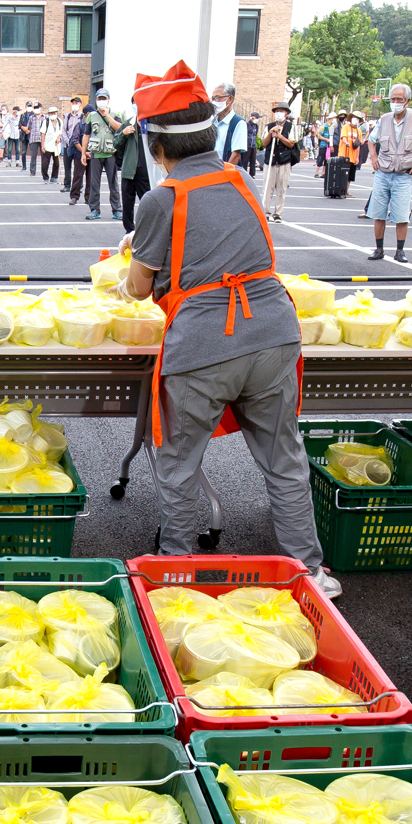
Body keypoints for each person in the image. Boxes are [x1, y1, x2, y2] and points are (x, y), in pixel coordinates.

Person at [117, 59, 339, 599]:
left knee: (178, 462)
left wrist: (129, 269)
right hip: (273, 332)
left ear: (156, 145)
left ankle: (178, 571)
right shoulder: (240, 179)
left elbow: (140, 289)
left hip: (204, 345)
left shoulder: (159, 199)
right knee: (284, 459)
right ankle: (311, 572)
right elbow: (222, 245)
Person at [364, 84, 412, 262]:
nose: (395, 103)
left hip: (404, 173)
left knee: (401, 215)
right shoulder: (384, 119)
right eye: (393, 99)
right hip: (383, 172)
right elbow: (371, 140)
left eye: (399, 99)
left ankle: (400, 250)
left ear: (407, 101)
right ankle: (379, 248)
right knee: (378, 213)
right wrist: (373, 157)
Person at [82, 88, 125, 222]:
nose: (101, 101)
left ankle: (117, 210)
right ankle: (95, 209)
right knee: (94, 183)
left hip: (110, 153)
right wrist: (83, 153)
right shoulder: (91, 116)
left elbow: (120, 128)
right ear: (96, 100)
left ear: (108, 99)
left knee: (113, 183)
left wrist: (107, 116)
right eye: (99, 99)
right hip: (96, 154)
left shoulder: (115, 113)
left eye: (103, 98)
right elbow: (86, 135)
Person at [259, 101, 299, 221]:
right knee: (267, 187)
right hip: (270, 161)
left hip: (284, 161)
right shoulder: (269, 126)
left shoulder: (291, 127)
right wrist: (271, 134)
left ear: (286, 114)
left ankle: (278, 213)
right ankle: (265, 211)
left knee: (282, 188)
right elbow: (264, 144)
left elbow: (292, 144)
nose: (278, 113)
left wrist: (280, 136)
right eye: (277, 111)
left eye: (281, 111)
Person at [118, 111, 152, 225]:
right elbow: (115, 143)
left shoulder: (151, 124)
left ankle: (147, 232)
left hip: (145, 172)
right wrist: (123, 133)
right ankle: (129, 231)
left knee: (148, 205)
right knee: (127, 205)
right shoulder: (128, 123)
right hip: (129, 171)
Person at [211, 83, 248, 170]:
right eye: (213, 98)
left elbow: (236, 156)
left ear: (230, 99)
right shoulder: (213, 123)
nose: (214, 102)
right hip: (210, 173)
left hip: (225, 174)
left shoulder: (238, 123)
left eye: (218, 98)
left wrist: (223, 175)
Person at [63, 95, 87, 203]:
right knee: (68, 167)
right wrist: (68, 141)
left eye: (76, 103)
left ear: (80, 104)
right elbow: (64, 130)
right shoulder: (67, 116)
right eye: (73, 103)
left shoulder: (83, 117)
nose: (74, 105)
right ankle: (68, 186)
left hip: (80, 146)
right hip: (69, 144)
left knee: (80, 171)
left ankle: (83, 193)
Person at [41, 107, 63, 182]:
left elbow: (61, 132)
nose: (53, 114)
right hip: (47, 144)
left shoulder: (60, 121)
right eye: (51, 113)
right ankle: (45, 177)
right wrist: (42, 145)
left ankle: (54, 177)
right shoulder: (46, 122)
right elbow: (43, 134)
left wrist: (59, 138)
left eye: (54, 113)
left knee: (57, 162)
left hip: (56, 145)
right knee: (45, 163)